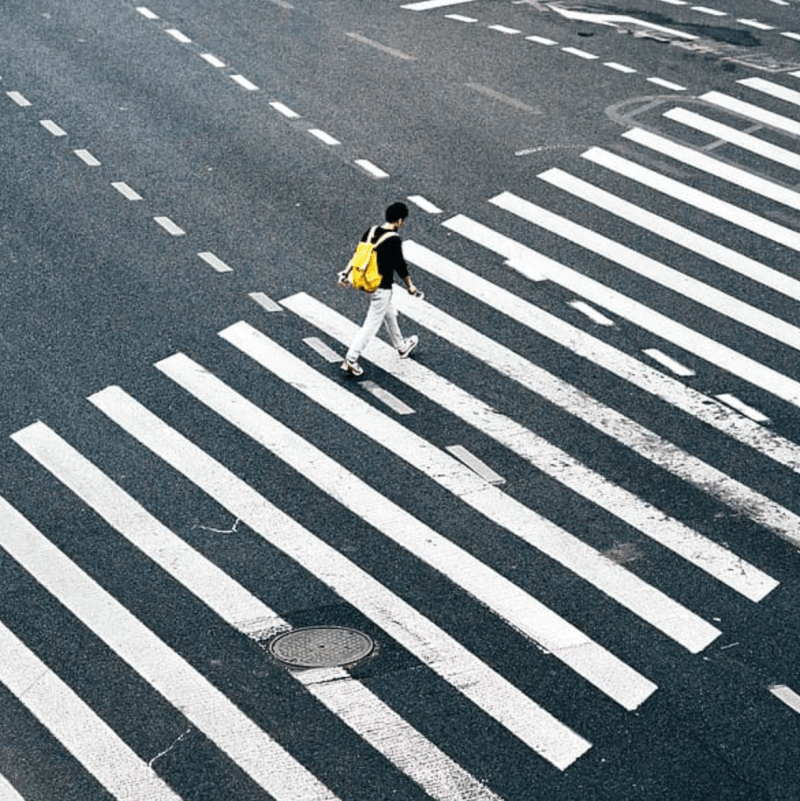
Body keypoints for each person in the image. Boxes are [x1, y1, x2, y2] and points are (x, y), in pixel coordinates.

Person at [339, 201, 420, 377]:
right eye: (403, 221)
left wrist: (346, 273)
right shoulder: (394, 239)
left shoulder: (372, 231)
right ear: (399, 221)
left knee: (389, 312)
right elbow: (400, 266)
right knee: (371, 325)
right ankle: (350, 359)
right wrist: (410, 286)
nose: (402, 224)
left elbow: (358, 255)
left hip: (366, 280)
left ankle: (401, 347)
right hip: (381, 287)